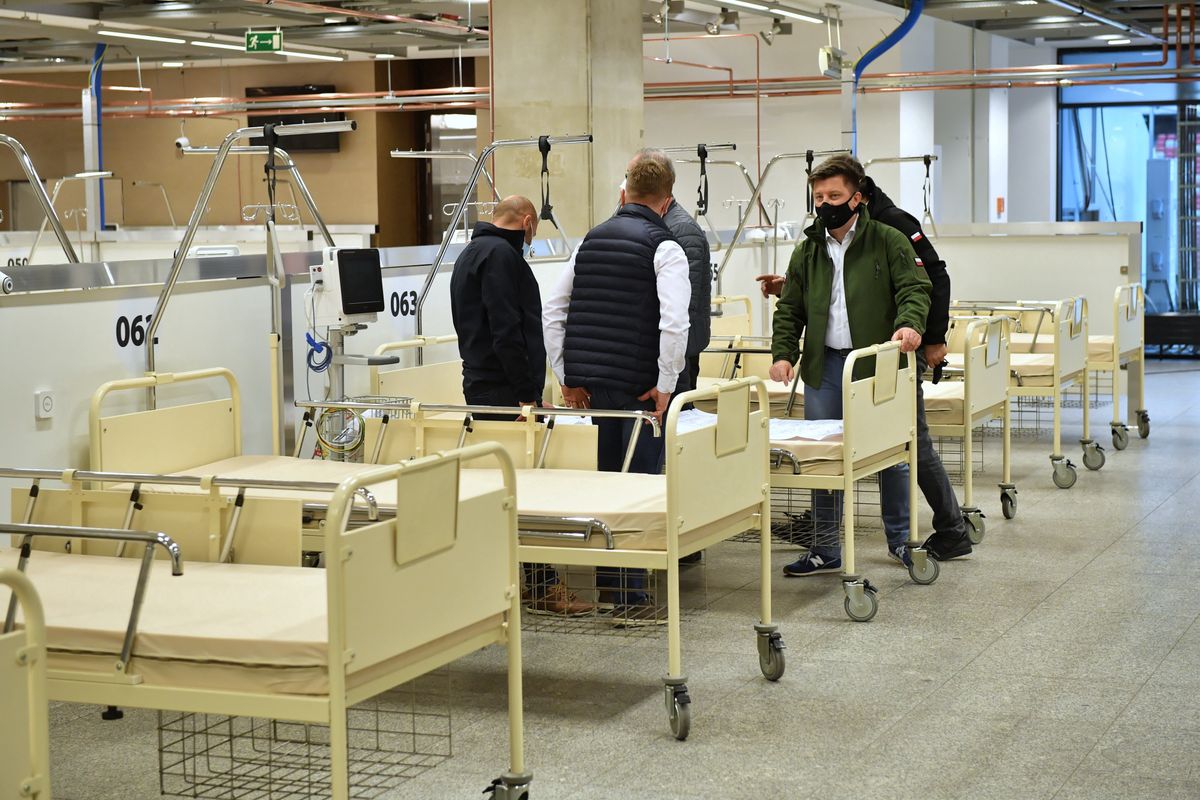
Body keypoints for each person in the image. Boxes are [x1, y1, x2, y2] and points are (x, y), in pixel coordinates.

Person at [757, 178, 973, 561]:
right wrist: (783, 354)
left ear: (857, 198)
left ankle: (902, 541)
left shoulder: (889, 238)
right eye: (819, 197)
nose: (825, 204)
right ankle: (824, 547)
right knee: (822, 457)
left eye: (834, 196)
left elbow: (917, 288)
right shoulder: (808, 249)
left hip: (877, 364)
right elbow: (792, 308)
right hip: (825, 365)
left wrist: (915, 328)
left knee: (892, 453)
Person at [543, 148, 691, 625]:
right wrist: (667, 384)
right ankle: (632, 597)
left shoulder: (590, 239)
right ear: (667, 201)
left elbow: (554, 310)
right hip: (640, 389)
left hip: (593, 389)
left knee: (606, 483)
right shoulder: (666, 247)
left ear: (624, 191)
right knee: (640, 489)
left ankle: (612, 588)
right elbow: (674, 324)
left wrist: (566, 375)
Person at [450, 195, 594, 617]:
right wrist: (526, 395)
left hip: (482, 385)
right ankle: (542, 587)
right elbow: (507, 331)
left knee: (503, 487)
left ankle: (517, 580)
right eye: (534, 230)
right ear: (528, 221)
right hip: (502, 392)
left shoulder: (470, 254)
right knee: (522, 489)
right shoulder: (501, 257)